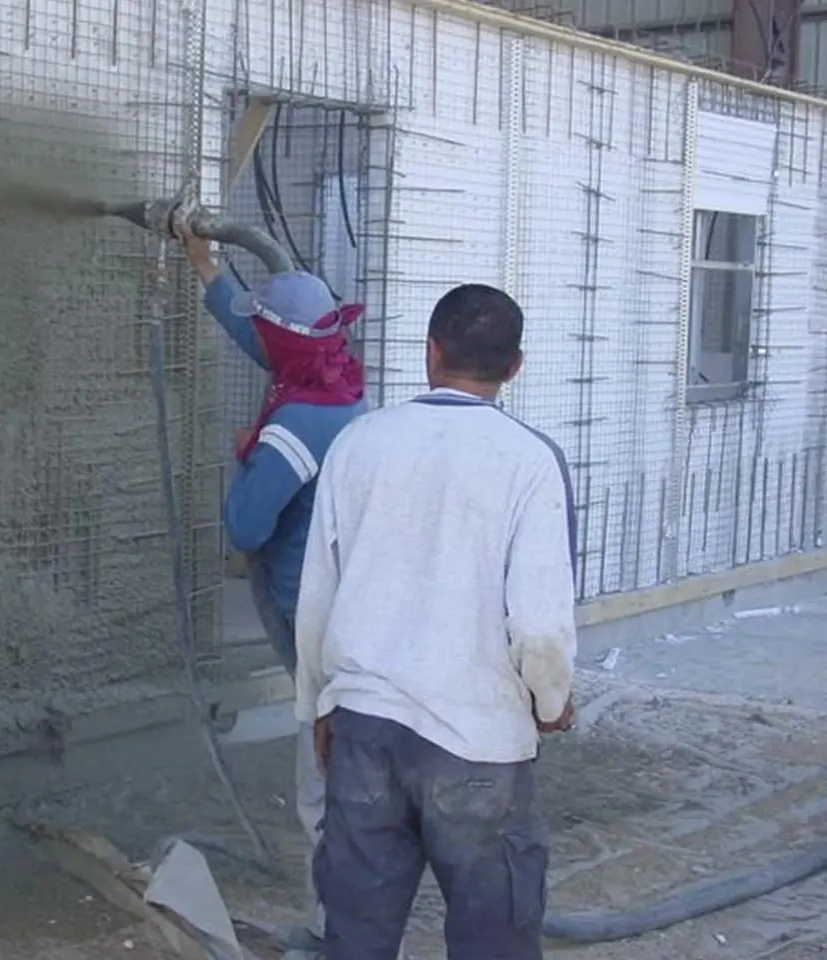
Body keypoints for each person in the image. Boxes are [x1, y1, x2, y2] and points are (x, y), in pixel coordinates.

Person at [294, 283, 578, 960]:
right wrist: (551, 699)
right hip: (477, 740)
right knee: (493, 938)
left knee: (356, 933)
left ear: (431, 353)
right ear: (515, 367)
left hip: (365, 726)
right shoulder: (529, 460)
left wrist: (318, 706)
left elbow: (318, 595)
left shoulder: (360, 443)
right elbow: (539, 623)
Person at [180, 226, 368, 956]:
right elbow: (256, 335)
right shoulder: (335, 382)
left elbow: (246, 526)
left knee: (322, 773)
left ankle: (338, 932)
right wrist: (205, 265)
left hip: (308, 613)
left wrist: (248, 458)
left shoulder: (294, 425)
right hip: (344, 601)